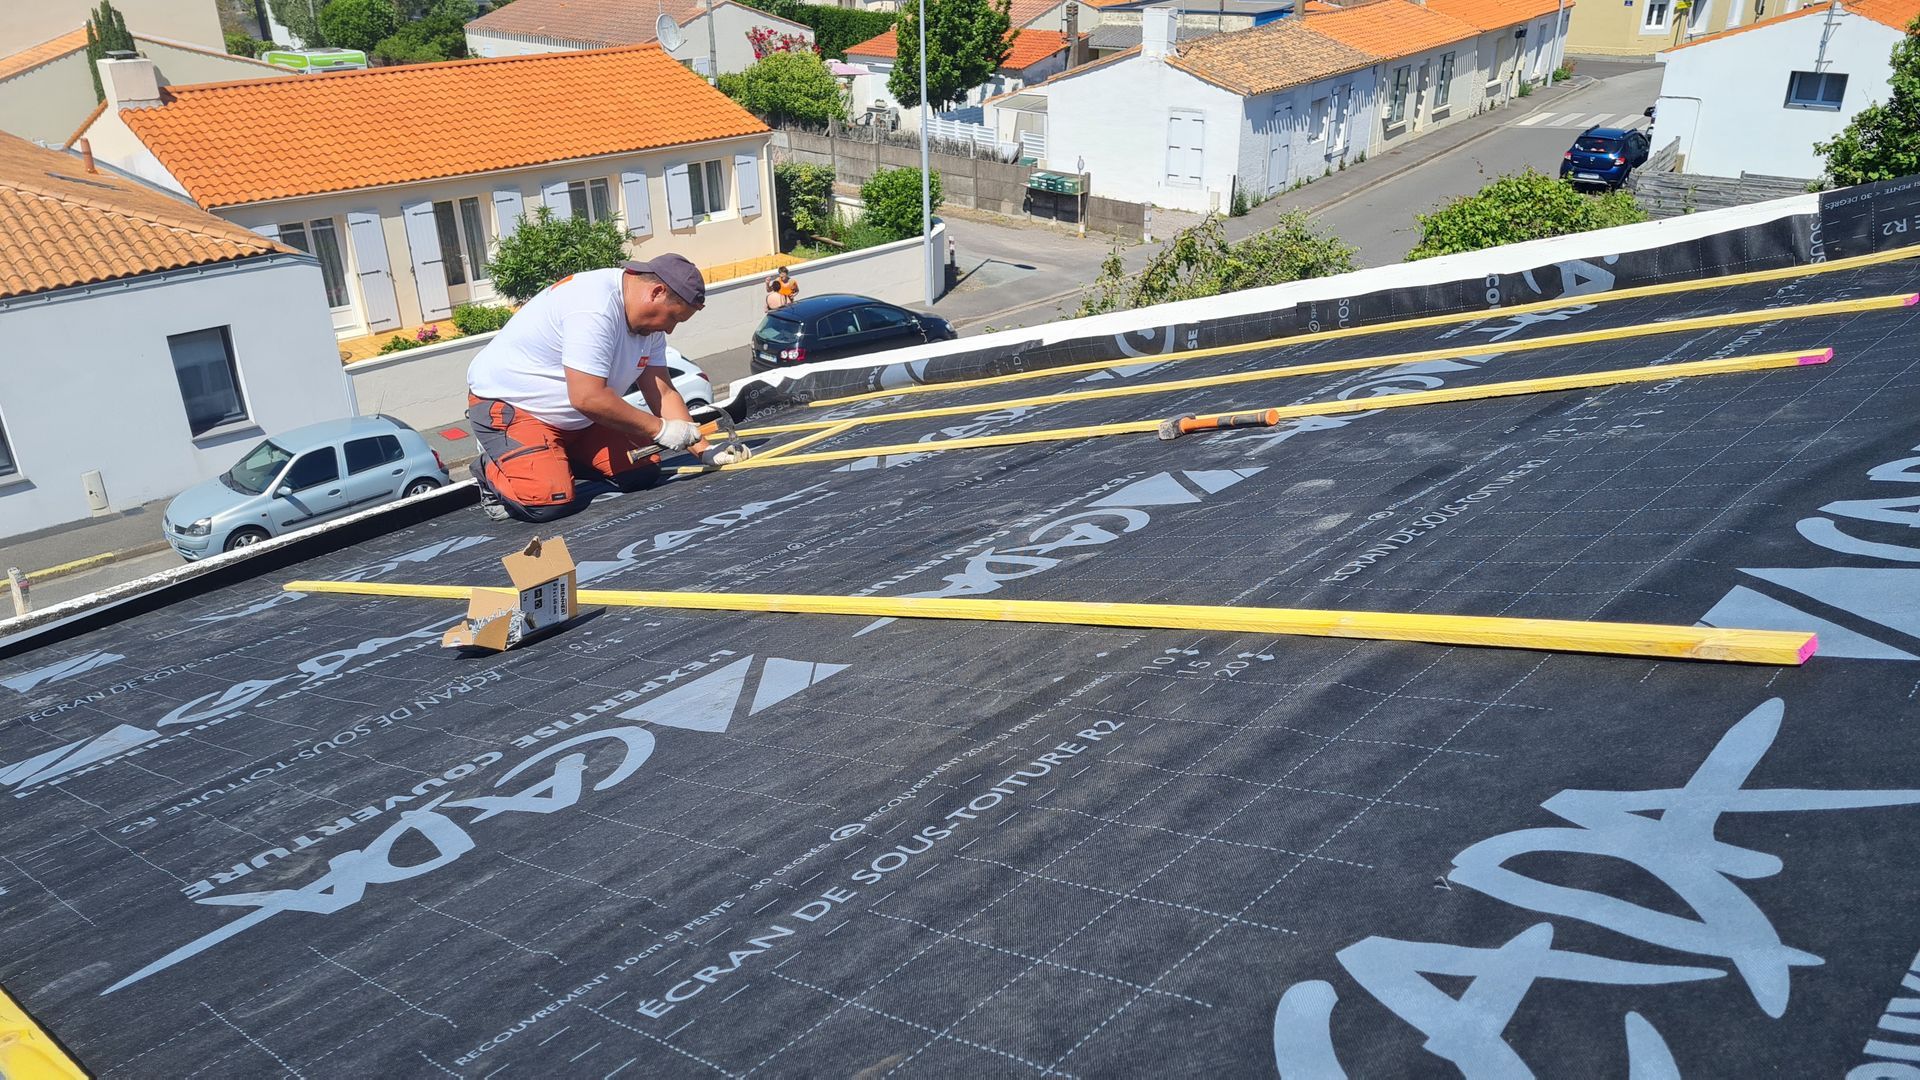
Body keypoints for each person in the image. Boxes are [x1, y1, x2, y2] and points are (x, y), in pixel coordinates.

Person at [466, 255, 710, 522]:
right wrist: (660, 429)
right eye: (673, 317)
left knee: (642, 468)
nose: (670, 329)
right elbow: (588, 397)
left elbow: (661, 391)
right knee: (549, 502)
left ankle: (553, 457)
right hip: (516, 408)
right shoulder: (593, 306)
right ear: (657, 292)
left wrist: (704, 450)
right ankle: (490, 469)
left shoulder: (648, 328)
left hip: (580, 418)